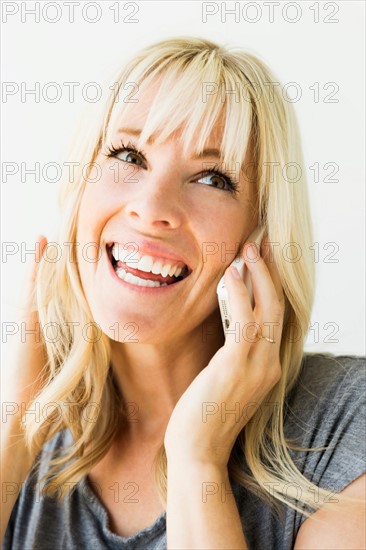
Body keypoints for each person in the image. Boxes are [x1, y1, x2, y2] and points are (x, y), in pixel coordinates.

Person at [1, 36, 365, 549]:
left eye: (213, 178)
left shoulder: (344, 424)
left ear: (260, 236)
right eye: (128, 154)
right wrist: (16, 425)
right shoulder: (23, 439)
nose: (151, 209)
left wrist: (197, 457)